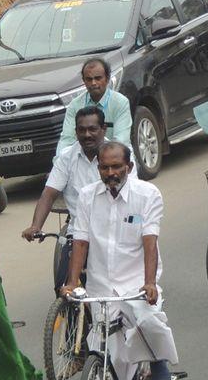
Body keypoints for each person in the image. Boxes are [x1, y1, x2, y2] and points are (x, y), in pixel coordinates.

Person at [62, 143, 178, 380]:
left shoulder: (148, 194)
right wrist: (73, 282)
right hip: (101, 284)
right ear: (98, 169)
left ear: (129, 166)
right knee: (111, 356)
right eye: (105, 167)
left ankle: (160, 370)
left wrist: (149, 283)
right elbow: (80, 241)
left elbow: (150, 242)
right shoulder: (87, 196)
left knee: (150, 326)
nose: (111, 173)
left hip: (137, 283)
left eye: (116, 167)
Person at [21, 106, 136, 291]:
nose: (87, 134)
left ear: (103, 129)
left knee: (121, 288)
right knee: (63, 287)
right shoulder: (67, 158)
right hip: (78, 232)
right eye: (82, 130)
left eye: (93, 129)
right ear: (75, 132)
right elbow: (49, 194)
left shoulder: (120, 156)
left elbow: (133, 195)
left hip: (114, 232)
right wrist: (36, 226)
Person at [55, 58, 132, 156]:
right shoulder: (75, 105)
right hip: (85, 156)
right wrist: (59, 162)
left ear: (107, 78)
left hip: (115, 155)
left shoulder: (120, 102)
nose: (93, 83)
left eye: (98, 78)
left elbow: (121, 140)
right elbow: (67, 140)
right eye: (89, 79)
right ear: (84, 81)